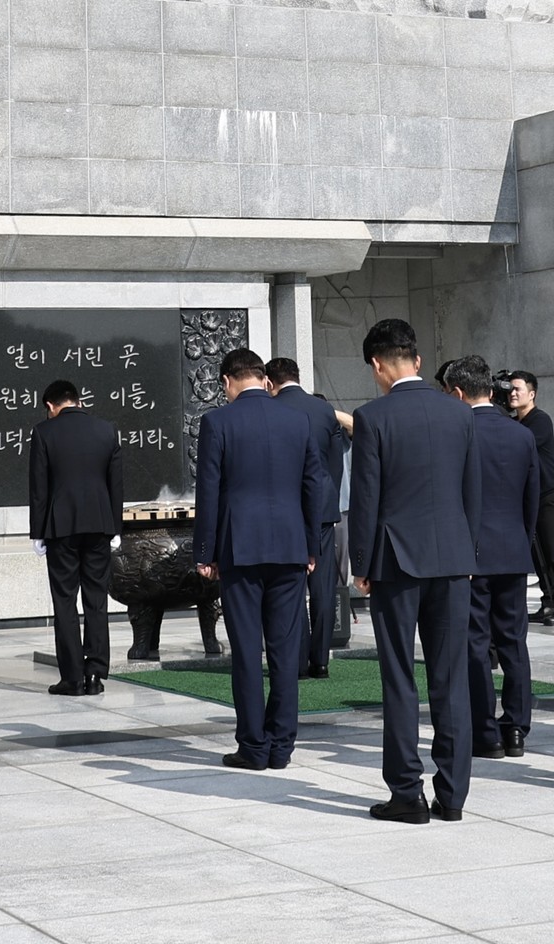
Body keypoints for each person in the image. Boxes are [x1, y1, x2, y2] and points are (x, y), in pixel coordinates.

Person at [346, 318, 480, 824]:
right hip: (452, 561)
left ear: (378, 366)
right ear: (417, 360)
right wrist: (468, 554)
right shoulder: (460, 413)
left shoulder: (373, 417)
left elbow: (366, 500)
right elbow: (473, 493)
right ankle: (454, 796)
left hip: (396, 562)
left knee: (400, 677)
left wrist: (362, 565)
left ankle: (407, 793)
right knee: (451, 679)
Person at [195, 349, 332, 769]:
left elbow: (210, 491)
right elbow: (315, 487)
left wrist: (205, 552)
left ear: (226, 381)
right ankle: (281, 745)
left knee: (247, 649)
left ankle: (253, 746)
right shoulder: (298, 420)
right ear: (264, 379)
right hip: (291, 548)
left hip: (241, 549)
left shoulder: (217, 421)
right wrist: (311, 546)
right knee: (285, 650)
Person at [445, 356, 541, 761]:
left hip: (472, 553)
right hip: (513, 550)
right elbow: (532, 497)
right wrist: (523, 539)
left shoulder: (458, 432)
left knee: (475, 643)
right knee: (514, 641)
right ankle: (516, 726)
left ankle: (485, 731)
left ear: (458, 392)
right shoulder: (520, 434)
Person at [28, 379, 124, 696]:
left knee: (65, 601)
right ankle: (95, 673)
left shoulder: (44, 432)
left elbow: (39, 488)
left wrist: (38, 533)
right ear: (78, 400)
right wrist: (115, 528)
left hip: (61, 527)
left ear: (51, 406)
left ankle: (72, 677)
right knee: (96, 600)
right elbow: (115, 484)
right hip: (99, 525)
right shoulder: (106, 430)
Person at [269, 356, 350, 674]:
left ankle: (299, 656)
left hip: (287, 509)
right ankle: (321, 660)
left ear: (269, 382)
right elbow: (336, 462)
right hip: (322, 509)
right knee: (323, 586)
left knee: (292, 584)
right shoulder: (323, 410)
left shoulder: (273, 410)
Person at [501, 370, 554, 625]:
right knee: (538, 553)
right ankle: (548, 601)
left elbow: (522, 445)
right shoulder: (515, 423)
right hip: (529, 497)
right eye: (509, 389)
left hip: (550, 493)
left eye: (517, 389)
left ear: (531, 394)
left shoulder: (539, 419)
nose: (512, 393)